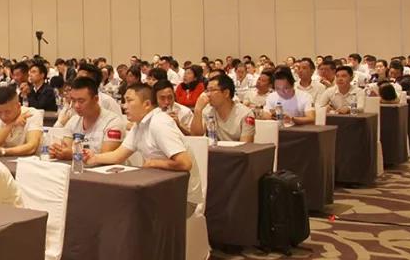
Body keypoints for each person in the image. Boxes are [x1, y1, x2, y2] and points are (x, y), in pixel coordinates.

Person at [85, 83, 202, 212]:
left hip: (182, 197)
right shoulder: (139, 125)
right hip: (160, 190)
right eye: (124, 101)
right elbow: (118, 155)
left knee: (124, 211)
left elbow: (185, 163)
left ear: (146, 104)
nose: (124, 106)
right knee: (113, 204)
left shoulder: (159, 123)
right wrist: (94, 157)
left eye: (129, 101)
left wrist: (154, 163)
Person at [49, 76, 126, 160]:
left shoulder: (113, 122)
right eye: (73, 101)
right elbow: (66, 149)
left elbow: (106, 158)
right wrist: (58, 152)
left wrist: (73, 155)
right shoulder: (73, 121)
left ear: (96, 99)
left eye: (81, 101)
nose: (76, 105)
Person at [190, 74, 255, 142]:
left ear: (226, 93)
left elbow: (246, 145)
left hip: (236, 149)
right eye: (207, 91)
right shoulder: (207, 110)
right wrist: (198, 110)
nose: (208, 95)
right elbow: (195, 137)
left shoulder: (245, 114)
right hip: (214, 148)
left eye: (212, 90)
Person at [0, 86, 43, 157]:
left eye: (8, 112)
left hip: (28, 161)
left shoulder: (32, 114)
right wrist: (11, 124)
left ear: (18, 106)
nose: (3, 116)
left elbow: (32, 147)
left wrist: (4, 151)